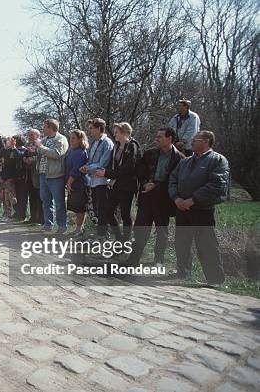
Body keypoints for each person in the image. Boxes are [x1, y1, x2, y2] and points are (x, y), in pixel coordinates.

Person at [168, 130, 229, 285]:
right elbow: (173, 180)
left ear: (206, 141)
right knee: (181, 242)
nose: (192, 142)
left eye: (196, 139)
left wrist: (192, 200)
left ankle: (215, 279)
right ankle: (182, 272)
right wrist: (177, 198)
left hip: (202, 210)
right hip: (181, 209)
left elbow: (217, 185)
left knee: (206, 244)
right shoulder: (185, 162)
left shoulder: (218, 160)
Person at [125, 127, 185, 267]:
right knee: (140, 230)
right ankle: (133, 260)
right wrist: (146, 183)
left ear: (169, 139)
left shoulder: (180, 158)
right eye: (156, 136)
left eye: (160, 137)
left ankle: (158, 261)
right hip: (147, 197)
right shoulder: (149, 154)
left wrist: (158, 186)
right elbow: (139, 170)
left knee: (161, 232)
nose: (156, 139)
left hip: (164, 200)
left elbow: (177, 180)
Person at [95, 122, 141, 241]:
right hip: (115, 184)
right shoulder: (116, 146)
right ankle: (119, 238)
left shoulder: (132, 146)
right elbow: (112, 164)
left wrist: (107, 173)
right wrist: (105, 170)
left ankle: (125, 242)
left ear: (124, 133)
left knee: (125, 214)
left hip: (127, 186)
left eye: (117, 132)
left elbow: (128, 168)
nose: (114, 134)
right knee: (108, 210)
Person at [80, 118, 114, 239]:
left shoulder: (107, 142)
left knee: (103, 209)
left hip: (103, 181)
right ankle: (100, 233)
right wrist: (87, 167)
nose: (90, 130)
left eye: (92, 128)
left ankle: (104, 235)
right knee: (96, 209)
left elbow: (103, 163)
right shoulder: (94, 142)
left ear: (99, 128)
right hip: (93, 180)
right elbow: (91, 160)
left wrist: (88, 168)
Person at [36, 119, 69, 233]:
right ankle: (48, 225)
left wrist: (41, 147)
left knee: (59, 202)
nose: (43, 129)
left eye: (45, 126)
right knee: (45, 201)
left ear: (50, 127)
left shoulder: (61, 139)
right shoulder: (44, 140)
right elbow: (40, 154)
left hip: (56, 175)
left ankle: (62, 226)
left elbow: (56, 154)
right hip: (43, 174)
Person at [65, 130, 90, 237]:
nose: (71, 140)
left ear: (80, 139)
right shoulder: (71, 151)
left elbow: (77, 169)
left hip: (79, 183)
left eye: (73, 138)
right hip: (72, 183)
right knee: (75, 207)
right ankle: (78, 228)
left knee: (80, 208)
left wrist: (69, 182)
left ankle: (80, 229)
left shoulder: (80, 152)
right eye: (70, 138)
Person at [23, 129, 43, 225]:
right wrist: (25, 159)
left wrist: (31, 159)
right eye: (29, 135)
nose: (29, 136)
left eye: (32, 135)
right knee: (31, 197)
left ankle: (40, 219)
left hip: (37, 174)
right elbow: (24, 156)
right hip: (29, 174)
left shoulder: (40, 144)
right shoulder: (28, 145)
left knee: (39, 197)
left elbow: (40, 157)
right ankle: (33, 217)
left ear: (37, 136)